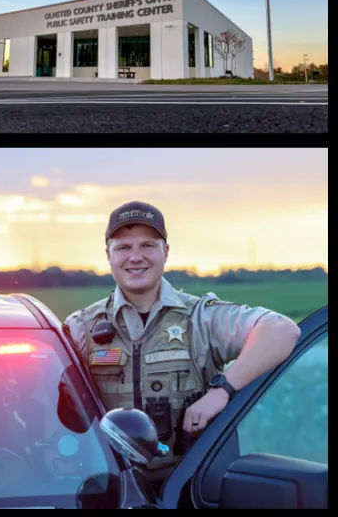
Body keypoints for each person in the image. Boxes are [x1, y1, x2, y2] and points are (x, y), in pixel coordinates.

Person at [62, 201, 301, 496]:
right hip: (112, 490)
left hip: (186, 487)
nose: (135, 257)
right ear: (108, 255)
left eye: (147, 245)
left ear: (166, 251)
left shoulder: (202, 318)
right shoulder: (80, 327)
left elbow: (282, 331)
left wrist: (222, 390)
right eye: (123, 247)